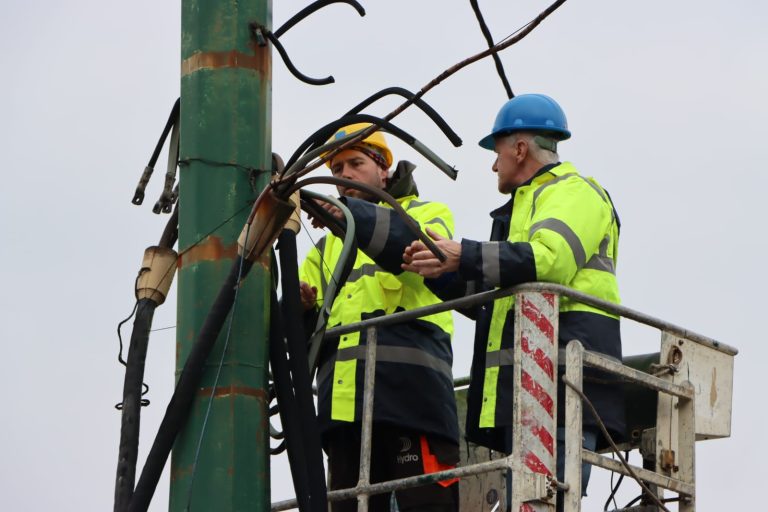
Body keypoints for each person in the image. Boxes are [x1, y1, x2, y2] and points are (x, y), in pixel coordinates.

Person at [402, 94, 625, 504]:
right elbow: (496, 299)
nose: (493, 164)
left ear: (520, 149)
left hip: (563, 385)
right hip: (527, 389)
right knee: (531, 501)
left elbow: (549, 261)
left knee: (548, 501)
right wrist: (440, 268)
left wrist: (463, 253)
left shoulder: (576, 192)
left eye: (497, 151)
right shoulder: (522, 210)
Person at [299, 123, 460, 512]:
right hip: (344, 414)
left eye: (355, 163)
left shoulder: (427, 214)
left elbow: (418, 251)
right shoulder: (322, 248)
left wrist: (349, 214)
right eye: (337, 169)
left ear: (383, 170)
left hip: (412, 400)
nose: (344, 175)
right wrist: (300, 309)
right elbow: (302, 333)